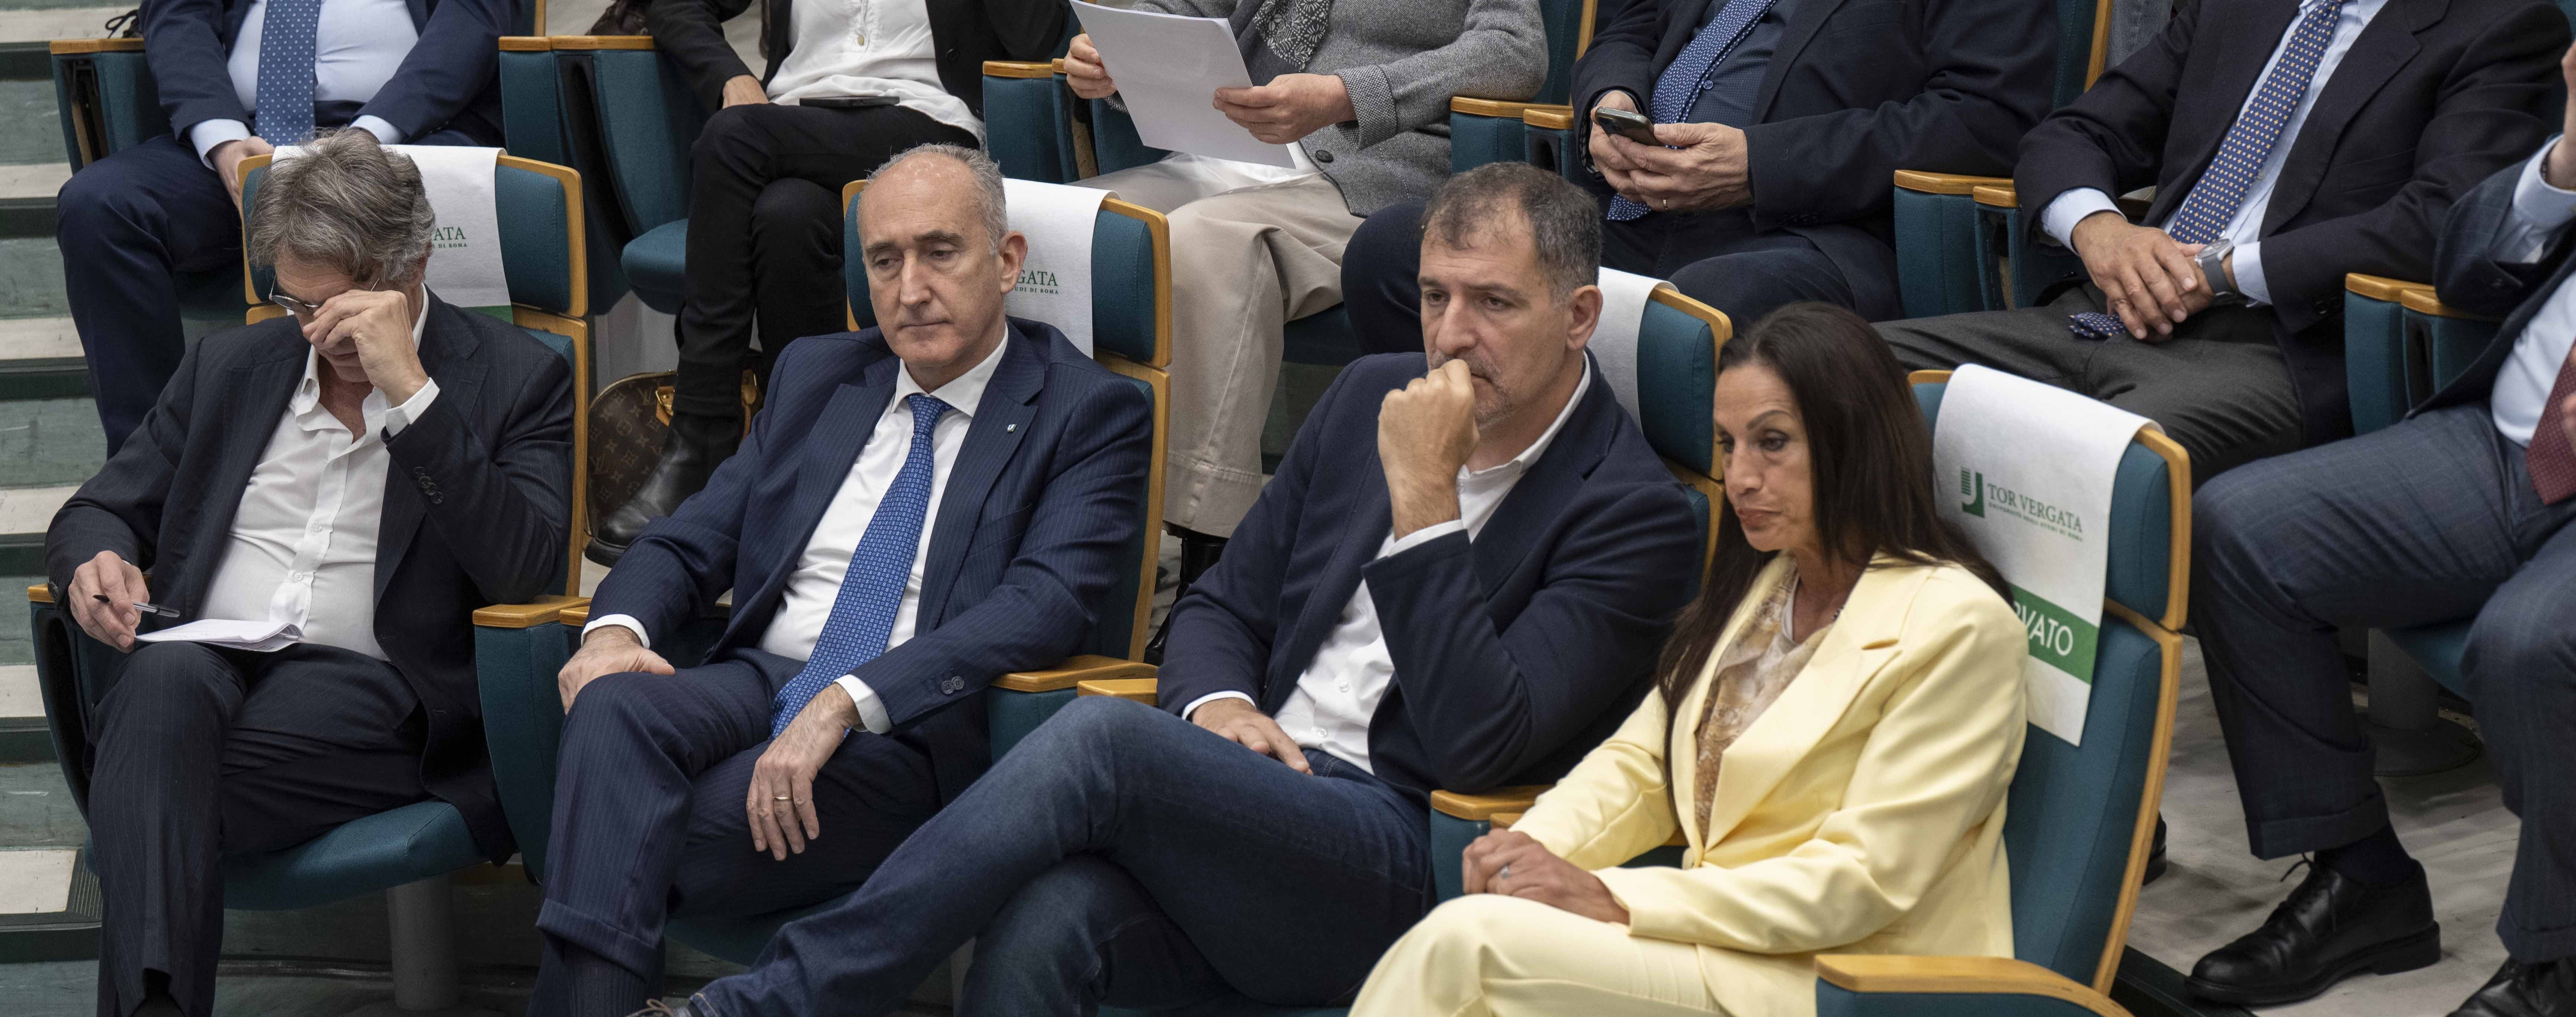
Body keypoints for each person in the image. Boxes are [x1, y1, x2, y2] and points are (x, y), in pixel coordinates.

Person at [470, 164, 1702, 1017]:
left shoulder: (1629, 514)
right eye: (1436, 297)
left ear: (1576, 317)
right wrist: (1216, 706)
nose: (1450, 336)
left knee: (1101, 738)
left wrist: (1422, 506)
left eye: (1492, 303)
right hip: (1242, 807)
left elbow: (1477, 736)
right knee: (1048, 915)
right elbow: (1221, 608)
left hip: (1405, 865)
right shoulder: (1358, 404)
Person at [999, 302, 2027, 1017]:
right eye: (1729, 444)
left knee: (1462, 941)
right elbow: (1641, 760)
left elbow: (1860, 882)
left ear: (1856, 436)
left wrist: (1611, 894)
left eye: (1773, 442)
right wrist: (1533, 846)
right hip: (1722, 992)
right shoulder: (1764, 590)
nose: (1740, 475)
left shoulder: (1954, 627)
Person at [412, 145, 1154, 1017]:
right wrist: (615, 628)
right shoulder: (823, 372)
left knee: (638, 825)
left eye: (940, 252)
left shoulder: (1085, 411)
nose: (910, 287)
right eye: (884, 260)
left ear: (1008, 261)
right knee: (609, 718)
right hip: (757, 675)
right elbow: (696, 530)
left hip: (910, 740)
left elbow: (1043, 603)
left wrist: (852, 702)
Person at [47, 131, 574, 1017]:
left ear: (409, 271)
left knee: (147, 775)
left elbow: (528, 564)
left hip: (372, 689)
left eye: (332, 308)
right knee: (165, 694)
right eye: (291, 302)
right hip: (202, 666)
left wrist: (409, 392)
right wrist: (97, 560)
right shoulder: (232, 368)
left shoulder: (513, 379)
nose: (309, 331)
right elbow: (98, 502)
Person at [2184, 51, 2576, 1017]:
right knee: (2239, 529)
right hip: (2504, 443)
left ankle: (2557, 958)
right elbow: (2466, 270)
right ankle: (2359, 880)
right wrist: (2567, 160)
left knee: (2530, 643)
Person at [1876, 0, 2567, 482]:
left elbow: (2438, 222)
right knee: (1834, 377)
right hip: (2098, 314)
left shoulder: (2502, 26)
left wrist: (2221, 272)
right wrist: (2102, 231)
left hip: (2273, 350)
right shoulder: (2239, 6)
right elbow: (2073, 134)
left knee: (2075, 458)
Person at [591, 0, 1070, 562]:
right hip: (790, 131)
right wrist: (730, 75)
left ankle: (702, 436)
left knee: (732, 137)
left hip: (926, 122)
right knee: (785, 215)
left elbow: (1037, 34)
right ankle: (798, 468)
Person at [1059, 0, 1545, 545]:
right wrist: (1112, 56)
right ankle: (1054, 508)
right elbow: (1179, 11)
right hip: (1225, 149)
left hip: (1369, 168)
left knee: (1205, 242)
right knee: (1065, 230)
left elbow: (1514, 49)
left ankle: (1209, 550)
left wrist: (1349, 96)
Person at [1341, 0, 2055, 350]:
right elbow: (1631, 27)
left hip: (1800, 233)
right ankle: (1457, 492)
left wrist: (1758, 166)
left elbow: (1986, 122)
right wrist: (1610, 103)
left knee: (1698, 309)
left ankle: (1601, 537)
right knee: (1398, 250)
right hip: (1619, 208)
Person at [56, 0, 512, 457]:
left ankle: (423, 447)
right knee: (100, 206)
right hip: (244, 143)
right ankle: (150, 471)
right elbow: (179, 15)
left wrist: (367, 136)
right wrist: (224, 143)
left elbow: (471, 20)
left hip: (405, 135)